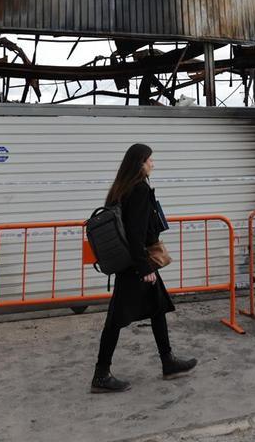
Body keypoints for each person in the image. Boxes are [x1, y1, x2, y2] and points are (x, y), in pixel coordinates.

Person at [92, 143, 197, 393]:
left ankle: (168, 361)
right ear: (139, 163)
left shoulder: (121, 188)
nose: (153, 164)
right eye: (150, 160)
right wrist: (144, 267)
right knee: (115, 319)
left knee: (157, 308)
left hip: (133, 262)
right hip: (136, 265)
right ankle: (101, 374)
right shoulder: (138, 190)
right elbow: (135, 234)